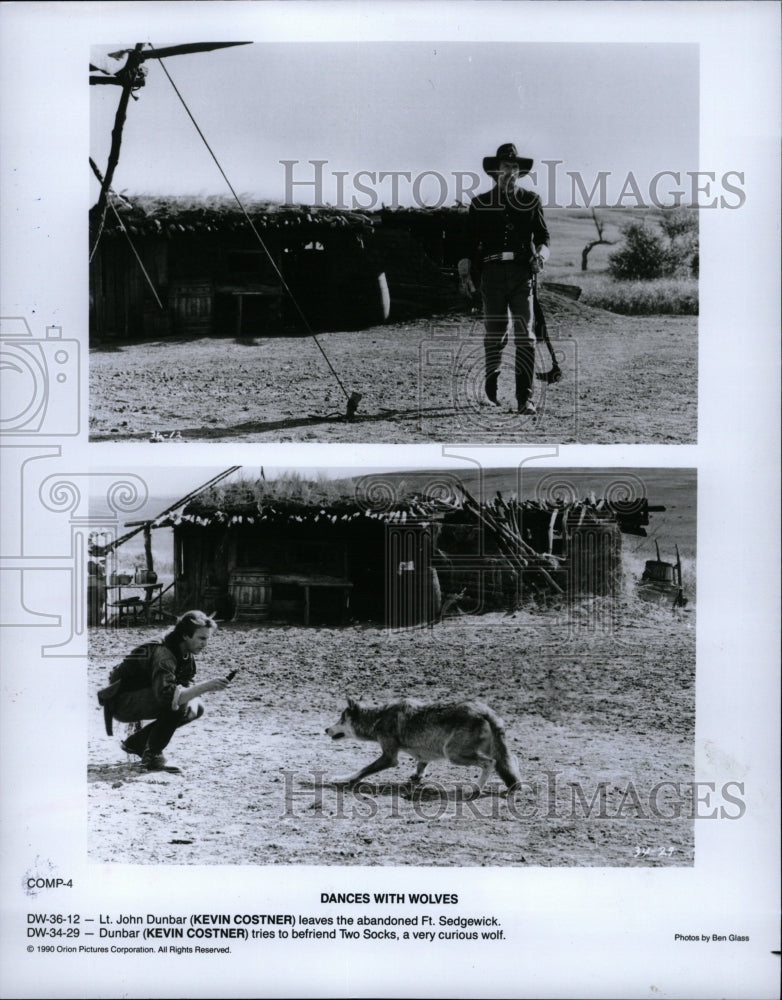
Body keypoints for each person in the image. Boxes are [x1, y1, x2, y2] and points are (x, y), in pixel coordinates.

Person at [459, 142, 550, 414]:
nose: (510, 171)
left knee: (526, 335)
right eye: (505, 166)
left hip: (523, 276)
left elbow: (544, 238)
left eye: (514, 167)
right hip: (492, 276)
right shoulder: (480, 203)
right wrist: (465, 271)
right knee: (495, 335)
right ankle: (490, 394)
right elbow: (467, 243)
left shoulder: (531, 201)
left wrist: (541, 257)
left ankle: (526, 399)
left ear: (520, 172)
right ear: (496, 171)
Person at [104, 610, 230, 773]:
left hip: (139, 696)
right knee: (179, 702)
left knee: (196, 707)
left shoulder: (182, 650)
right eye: (201, 638)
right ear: (185, 635)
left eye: (207, 639)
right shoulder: (164, 653)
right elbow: (169, 697)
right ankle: (152, 756)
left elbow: (185, 681)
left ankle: (138, 743)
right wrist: (206, 686)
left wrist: (192, 697)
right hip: (121, 702)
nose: (205, 644)